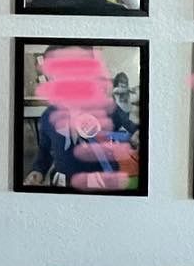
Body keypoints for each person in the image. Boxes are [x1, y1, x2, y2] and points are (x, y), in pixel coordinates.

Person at [25, 52, 140, 191]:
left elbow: (130, 128)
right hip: (64, 186)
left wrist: (136, 134)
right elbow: (45, 151)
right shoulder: (49, 115)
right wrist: (37, 171)